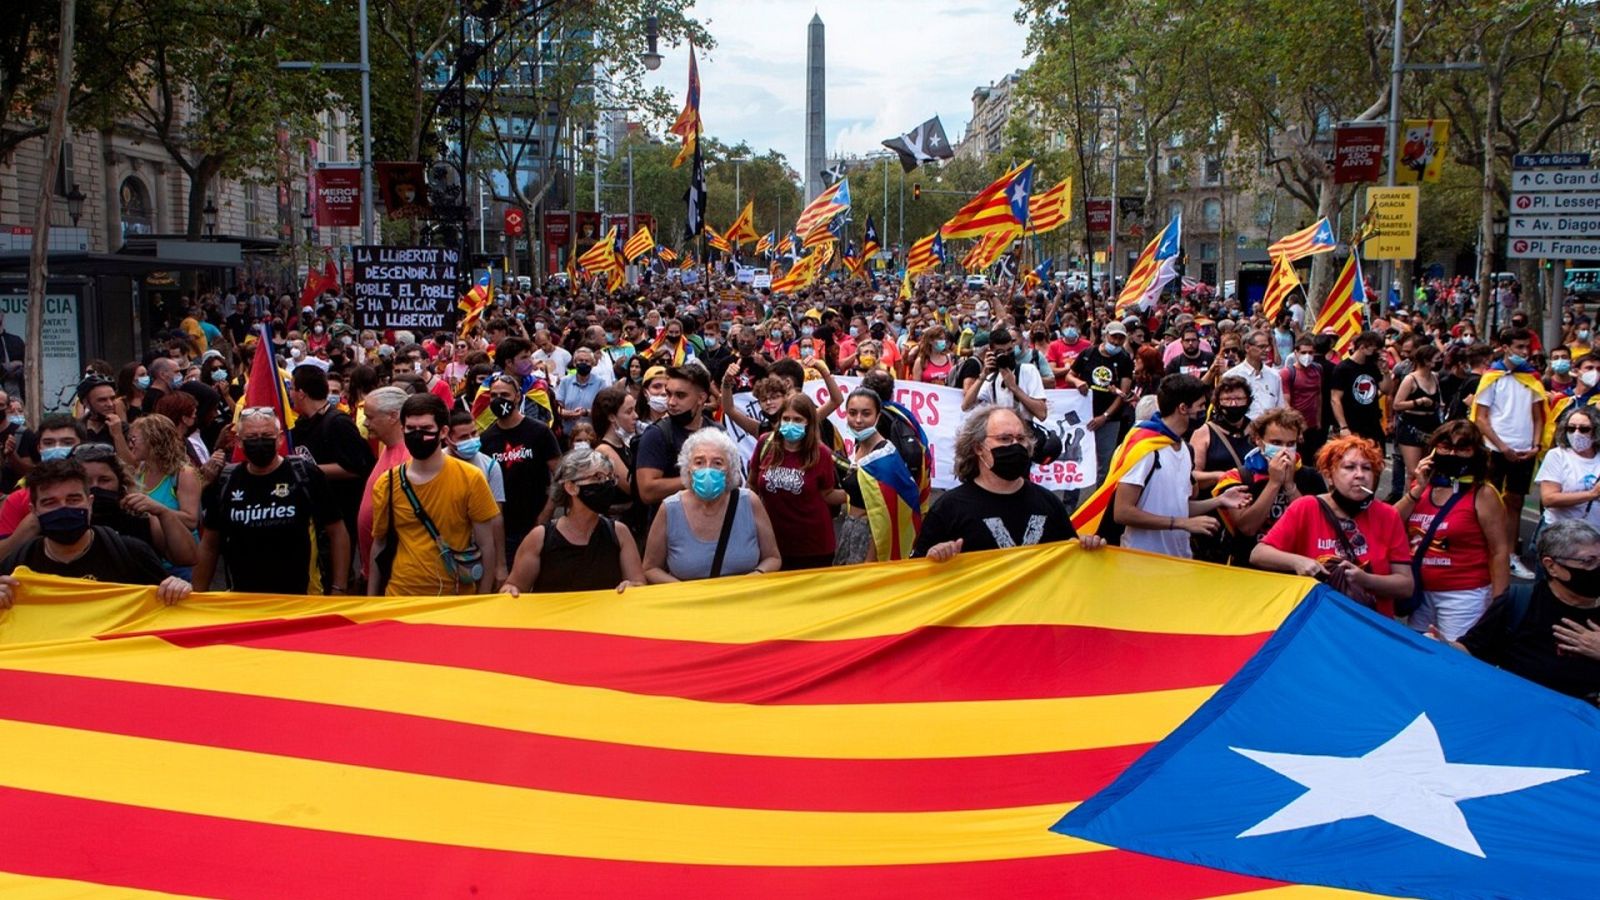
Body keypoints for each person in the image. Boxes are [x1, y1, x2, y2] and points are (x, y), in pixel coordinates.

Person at [1251, 435, 1415, 615]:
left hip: (1371, 626)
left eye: (1367, 468)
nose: (1360, 475)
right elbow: (1259, 554)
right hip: (1319, 623)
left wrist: (1365, 579)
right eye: (1349, 467)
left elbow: (1405, 586)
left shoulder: (1387, 515)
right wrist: (1298, 561)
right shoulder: (1307, 507)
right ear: (1329, 476)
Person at [193, 407, 350, 594]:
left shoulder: (305, 474)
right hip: (244, 599)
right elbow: (210, 544)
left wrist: (339, 587)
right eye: (251, 437)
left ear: (280, 439)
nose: (259, 441)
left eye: (267, 435)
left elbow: (337, 531)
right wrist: (198, 596)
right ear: (238, 442)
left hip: (300, 597)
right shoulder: (226, 481)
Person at [915, 406, 1106, 559]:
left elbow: (1069, 557)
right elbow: (918, 571)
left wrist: (1087, 547)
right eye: (1004, 439)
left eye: (1021, 439)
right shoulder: (949, 509)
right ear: (978, 448)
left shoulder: (1048, 503)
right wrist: (936, 557)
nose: (1015, 446)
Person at [0, 459, 191, 609]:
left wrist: (178, 589)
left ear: (89, 503)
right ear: (34, 510)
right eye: (50, 503)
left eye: (73, 499)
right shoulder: (17, 565)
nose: (64, 508)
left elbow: (170, 609)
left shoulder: (131, 554)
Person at [1447, 520, 1600, 702]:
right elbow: (1472, 650)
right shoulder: (1519, 602)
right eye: (1589, 561)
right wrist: (1437, 647)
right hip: (1523, 716)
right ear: (1551, 566)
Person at [368, 393, 501, 596]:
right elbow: (379, 544)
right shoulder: (387, 483)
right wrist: (372, 599)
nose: (418, 435)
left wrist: (483, 598)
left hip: (455, 597)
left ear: (443, 431)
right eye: (411, 429)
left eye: (426, 429)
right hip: (400, 595)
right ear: (402, 429)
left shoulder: (471, 478)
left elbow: (487, 545)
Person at [1394, 419, 1510, 640]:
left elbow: (1499, 551)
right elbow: (1390, 523)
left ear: (1475, 452)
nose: (1452, 453)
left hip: (1464, 597)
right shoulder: (1422, 487)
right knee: (1419, 656)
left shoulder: (1483, 494)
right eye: (1446, 446)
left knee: (1456, 659)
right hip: (1421, 594)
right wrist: (1417, 487)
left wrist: (1499, 604)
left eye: (1462, 448)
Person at [1111, 374, 1249, 558]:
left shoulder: (1183, 448)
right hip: (1142, 559)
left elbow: (1180, 507)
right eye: (1200, 406)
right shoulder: (1145, 450)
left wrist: (1219, 500)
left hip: (1179, 557)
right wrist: (1181, 523)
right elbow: (1122, 512)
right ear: (1183, 408)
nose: (1203, 412)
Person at [642, 428, 780, 581]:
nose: (707, 469)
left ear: (730, 469)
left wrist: (752, 579)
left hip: (743, 599)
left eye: (717, 463)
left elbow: (773, 558)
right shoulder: (670, 509)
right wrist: (685, 590)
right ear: (688, 468)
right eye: (699, 462)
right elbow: (650, 567)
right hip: (690, 602)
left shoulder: (749, 502)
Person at [500, 447, 645, 594]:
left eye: (610, 478)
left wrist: (632, 587)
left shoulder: (619, 533)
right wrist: (510, 590)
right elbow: (513, 587)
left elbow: (639, 584)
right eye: (598, 478)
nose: (606, 485)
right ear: (571, 487)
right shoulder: (540, 538)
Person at [1473, 326, 1545, 580]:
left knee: (1515, 502)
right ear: (1505, 348)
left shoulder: (1532, 378)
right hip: (1496, 449)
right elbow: (1481, 419)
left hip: (1525, 450)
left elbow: (1539, 417)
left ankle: (1511, 554)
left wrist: (1535, 446)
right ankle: (1484, 550)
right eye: (1519, 348)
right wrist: (1502, 446)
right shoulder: (1492, 377)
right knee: (1488, 500)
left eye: (1527, 348)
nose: (1524, 352)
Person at [1214, 407, 1326, 568]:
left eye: (1290, 444)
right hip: (1250, 567)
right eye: (1276, 443)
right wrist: (1274, 483)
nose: (1284, 450)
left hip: (1299, 566)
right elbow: (1247, 528)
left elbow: (1316, 525)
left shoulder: (1310, 476)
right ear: (1259, 440)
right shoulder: (1238, 477)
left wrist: (1290, 485)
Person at [748, 393, 845, 569]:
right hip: (772, 544)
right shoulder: (765, 444)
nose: (790, 424)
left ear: (809, 422)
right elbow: (752, 484)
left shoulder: (820, 453)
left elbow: (827, 494)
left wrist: (857, 493)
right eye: (786, 418)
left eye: (798, 419)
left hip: (813, 547)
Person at [288, 364, 375, 550]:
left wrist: (305, 470)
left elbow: (355, 468)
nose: (290, 394)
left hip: (339, 517)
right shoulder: (302, 424)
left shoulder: (338, 423)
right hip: (313, 516)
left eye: (292, 388)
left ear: (301, 393)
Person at [479, 374, 562, 558]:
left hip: (537, 524)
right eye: (493, 396)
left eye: (505, 395)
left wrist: (546, 514)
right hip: (504, 529)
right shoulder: (485, 439)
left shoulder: (539, 431)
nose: (499, 400)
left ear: (517, 397)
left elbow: (561, 475)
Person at [636, 365, 719, 508]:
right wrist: (695, 479)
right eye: (669, 394)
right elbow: (647, 492)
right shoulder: (656, 434)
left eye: (680, 395)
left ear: (701, 398)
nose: (671, 402)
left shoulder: (717, 432)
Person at [1071, 321, 1134, 488]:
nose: (1116, 342)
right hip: (1084, 416)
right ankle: (1072, 502)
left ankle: (1098, 502)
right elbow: (1070, 375)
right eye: (1114, 337)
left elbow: (1123, 393)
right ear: (1106, 335)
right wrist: (1077, 382)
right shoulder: (1088, 354)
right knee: (1078, 459)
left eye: (1121, 338)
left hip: (1109, 420)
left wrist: (1105, 416)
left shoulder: (1125, 360)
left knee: (1104, 463)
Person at [356, 386, 410, 581]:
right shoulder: (387, 448)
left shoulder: (407, 457)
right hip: (377, 570)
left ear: (393, 416)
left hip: (393, 574)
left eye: (370, 417)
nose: (366, 423)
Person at [129, 413, 201, 534]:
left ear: (153, 440)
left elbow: (191, 521)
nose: (131, 445)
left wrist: (157, 510)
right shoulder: (140, 471)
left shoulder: (183, 474)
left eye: (134, 439)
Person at [961, 327, 1048, 423]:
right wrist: (983, 376)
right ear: (991, 352)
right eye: (1001, 352)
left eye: (1009, 350)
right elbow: (966, 406)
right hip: (1001, 431)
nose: (1006, 355)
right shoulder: (991, 379)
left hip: (1025, 432)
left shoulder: (1028, 371)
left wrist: (1014, 388)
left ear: (1013, 345)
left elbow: (1042, 414)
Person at [1537, 404, 1600, 534]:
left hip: (1594, 534)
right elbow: (1548, 499)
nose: (1576, 433)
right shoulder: (1557, 455)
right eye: (1571, 428)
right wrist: (1591, 495)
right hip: (1560, 533)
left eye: (1584, 429)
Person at [1187, 375, 1254, 493]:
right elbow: (1192, 474)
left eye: (1239, 399)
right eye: (1227, 400)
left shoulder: (1257, 429)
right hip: (1216, 501)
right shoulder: (1204, 432)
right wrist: (1222, 476)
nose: (1233, 404)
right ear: (1218, 402)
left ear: (1248, 400)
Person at [1392, 342, 1445, 491]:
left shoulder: (1434, 377)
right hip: (1412, 425)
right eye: (1436, 359)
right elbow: (1397, 404)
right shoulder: (1410, 379)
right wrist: (1418, 401)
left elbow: (1439, 399)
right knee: (1413, 472)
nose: (1438, 361)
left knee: (1427, 469)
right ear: (1426, 361)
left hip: (1431, 424)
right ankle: (1410, 502)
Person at [1329, 331, 1389, 452]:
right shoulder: (1343, 369)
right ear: (1362, 347)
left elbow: (1386, 389)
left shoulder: (1372, 367)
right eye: (1374, 350)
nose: (1376, 354)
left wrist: (1386, 372)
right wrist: (1343, 426)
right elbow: (1335, 399)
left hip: (1373, 423)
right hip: (1352, 423)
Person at [1281, 333, 1328, 463]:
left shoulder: (1318, 369)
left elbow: (1318, 396)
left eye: (1310, 352)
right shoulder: (1287, 373)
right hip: (1296, 428)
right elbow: (1286, 403)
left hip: (1313, 427)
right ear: (1295, 352)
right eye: (1303, 352)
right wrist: (1297, 428)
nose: (1307, 356)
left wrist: (1318, 421)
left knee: (1313, 462)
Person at [1222, 330, 1283, 420]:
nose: (1266, 350)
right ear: (1247, 348)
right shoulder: (1231, 376)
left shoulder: (1274, 375)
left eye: (1267, 347)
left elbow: (1280, 406)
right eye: (1261, 347)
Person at [555, 345, 605, 433]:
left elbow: (603, 411)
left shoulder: (600, 383)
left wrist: (585, 412)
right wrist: (571, 414)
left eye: (587, 361)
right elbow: (557, 408)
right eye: (581, 361)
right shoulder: (565, 381)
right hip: (568, 434)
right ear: (574, 363)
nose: (584, 363)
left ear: (593, 364)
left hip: (592, 435)